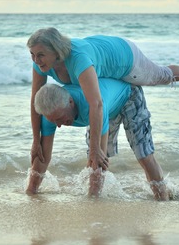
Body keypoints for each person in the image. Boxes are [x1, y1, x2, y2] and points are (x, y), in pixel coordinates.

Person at [27, 27, 179, 175]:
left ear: (56, 51)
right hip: (105, 64)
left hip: (124, 60)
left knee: (160, 76)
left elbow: (96, 104)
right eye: (32, 54)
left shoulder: (78, 59)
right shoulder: (41, 65)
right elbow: (36, 102)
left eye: (40, 54)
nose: (36, 60)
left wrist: (95, 148)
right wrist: (36, 140)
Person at [26, 78, 170, 200]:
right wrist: (31, 192)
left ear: (71, 102)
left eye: (60, 119)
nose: (58, 126)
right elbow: (43, 158)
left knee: (142, 153)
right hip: (107, 104)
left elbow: (99, 158)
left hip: (128, 96)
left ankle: (163, 198)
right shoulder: (50, 115)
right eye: (53, 121)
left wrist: (92, 204)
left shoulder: (90, 106)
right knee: (91, 156)